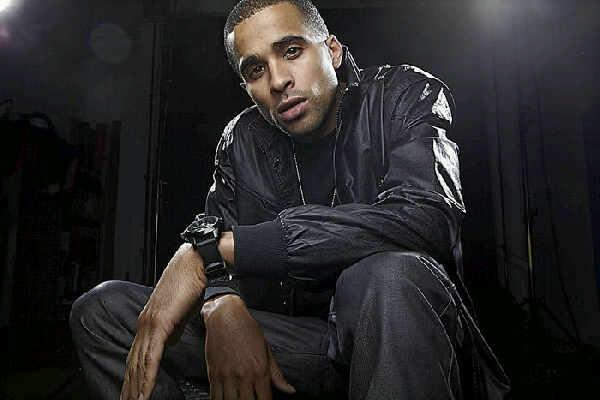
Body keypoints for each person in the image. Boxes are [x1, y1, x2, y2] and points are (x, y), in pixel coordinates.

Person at [70, 1, 510, 399]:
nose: (278, 80)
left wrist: (224, 251)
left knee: (387, 274)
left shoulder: (403, 95)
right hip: (304, 351)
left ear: (332, 51)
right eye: (256, 70)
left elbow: (427, 218)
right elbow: (217, 239)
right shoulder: (241, 140)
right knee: (102, 311)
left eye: (292, 51)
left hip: (404, 332)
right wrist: (220, 302)